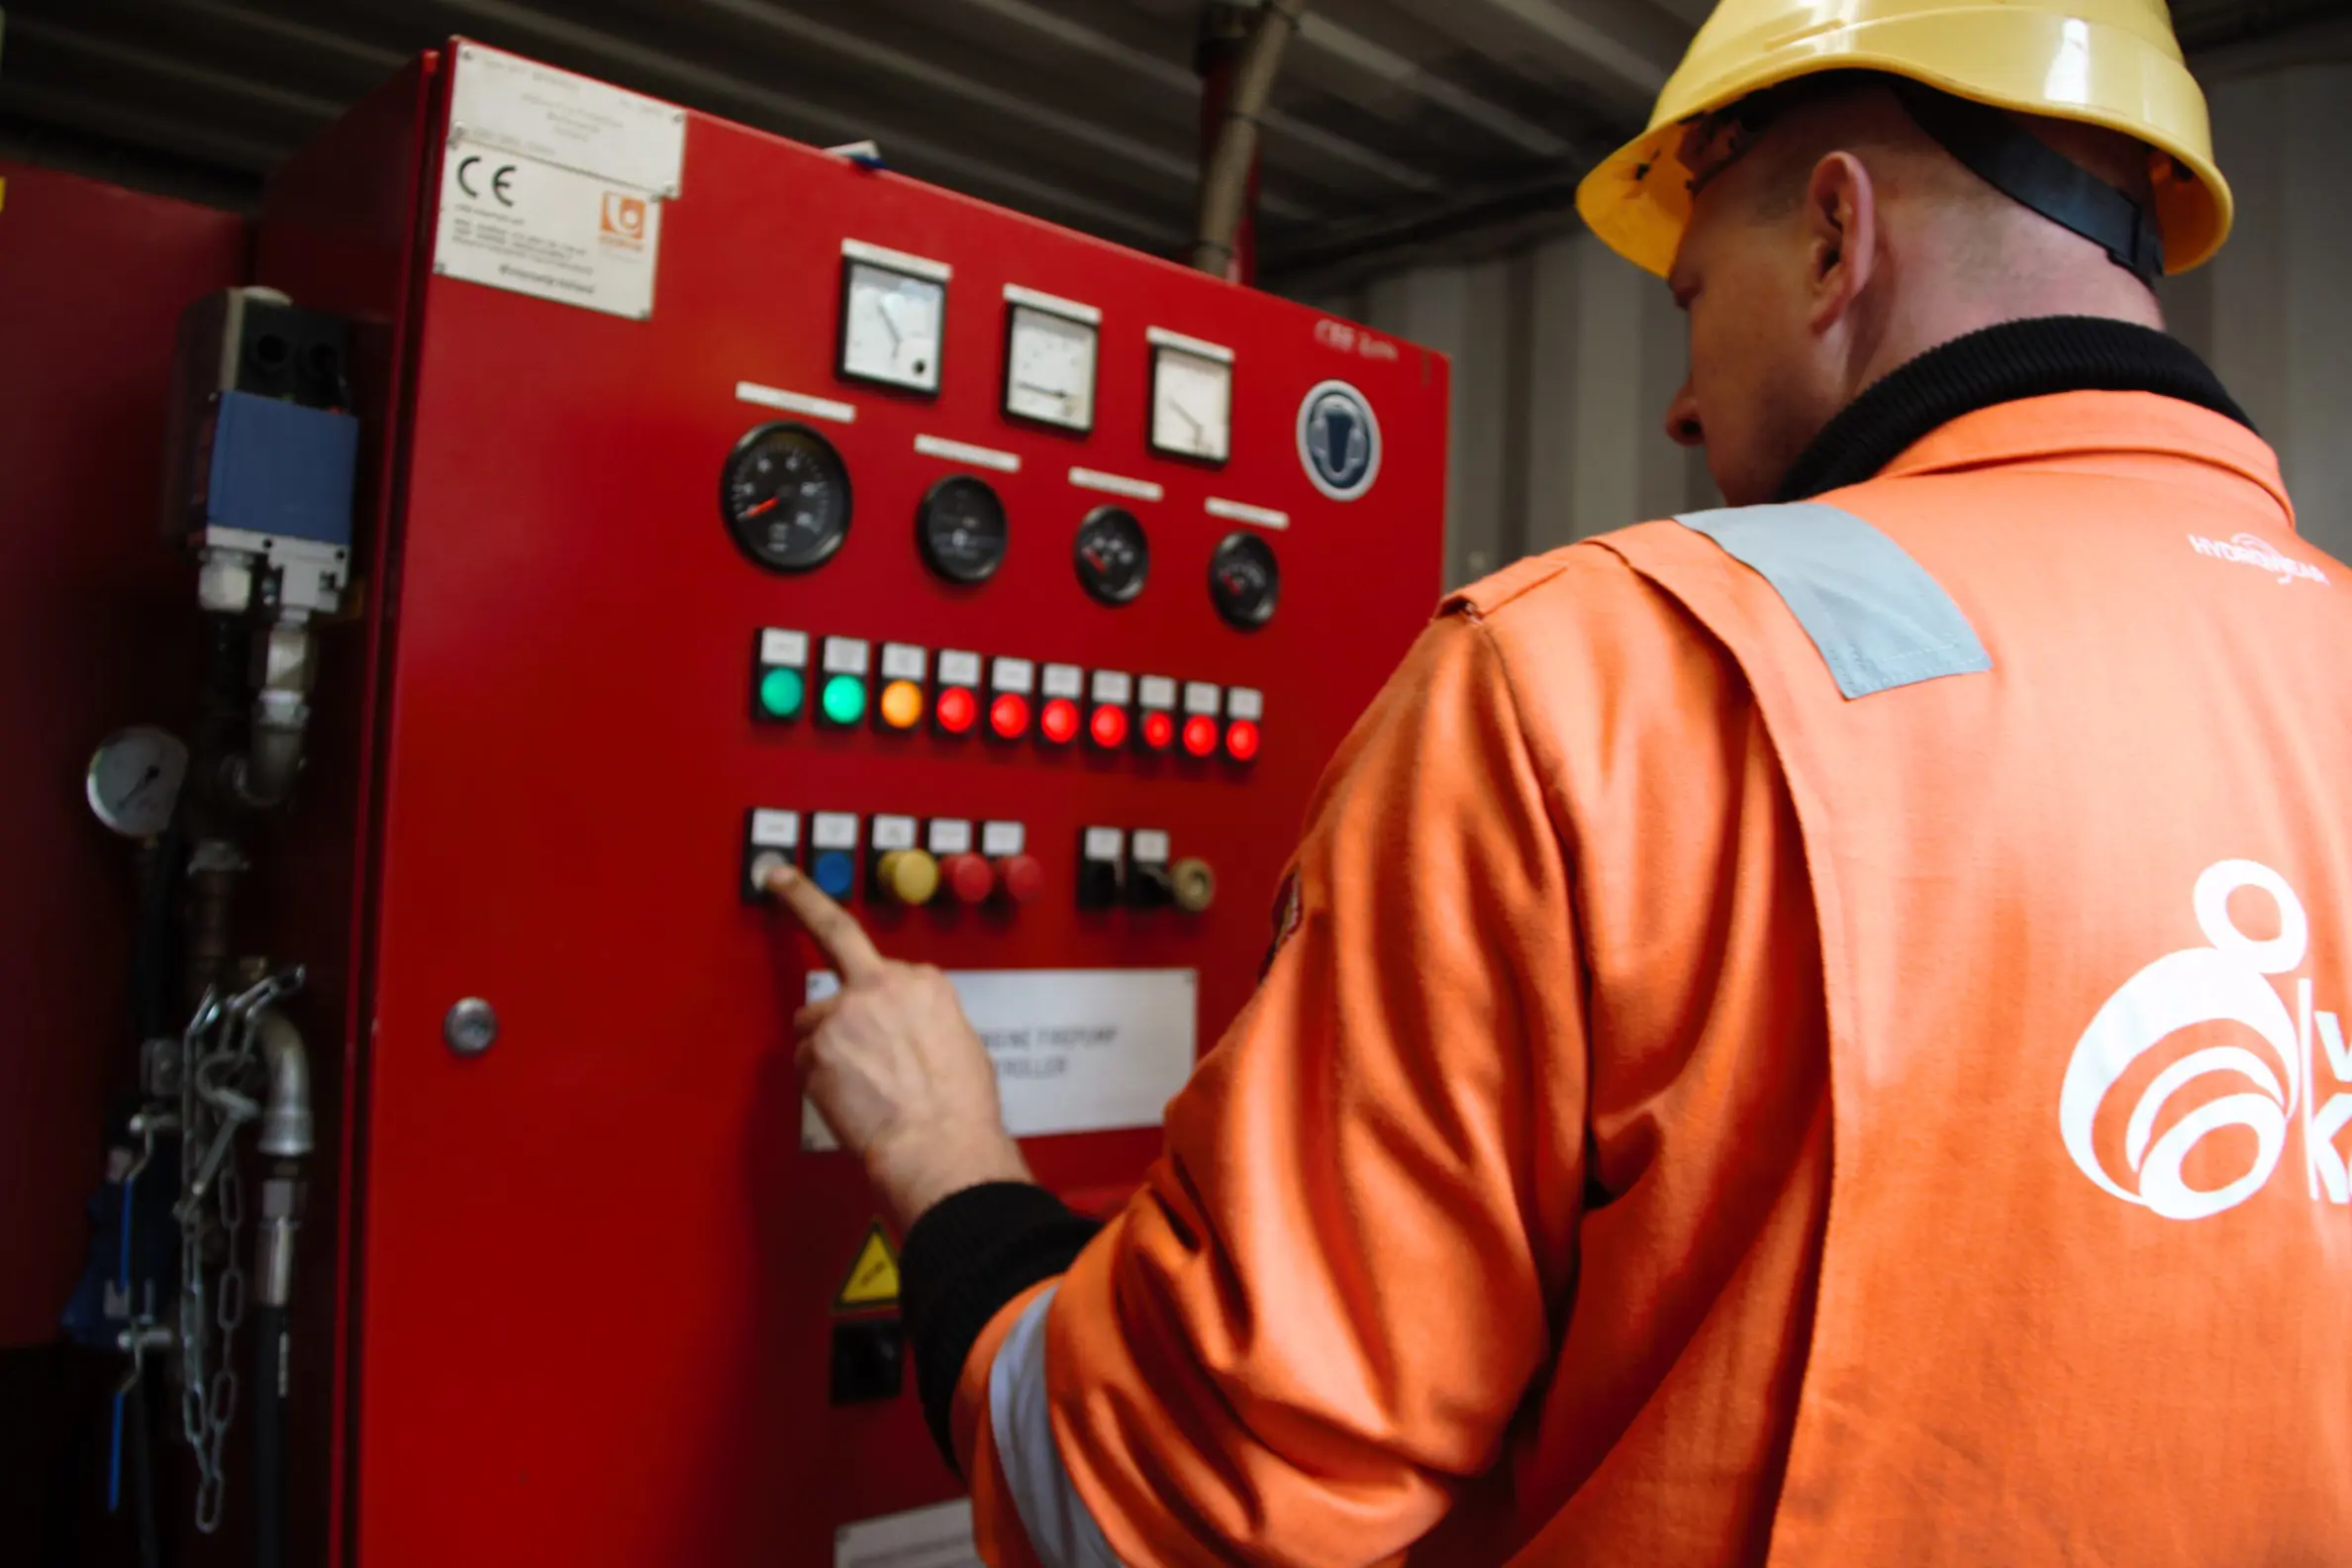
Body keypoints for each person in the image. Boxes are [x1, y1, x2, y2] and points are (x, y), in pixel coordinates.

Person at [769, 0, 2352, 1561]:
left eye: (1687, 292)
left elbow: (1181, 1502)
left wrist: (944, 1163)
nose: (1674, 402)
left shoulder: (1600, 675)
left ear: (1831, 235)